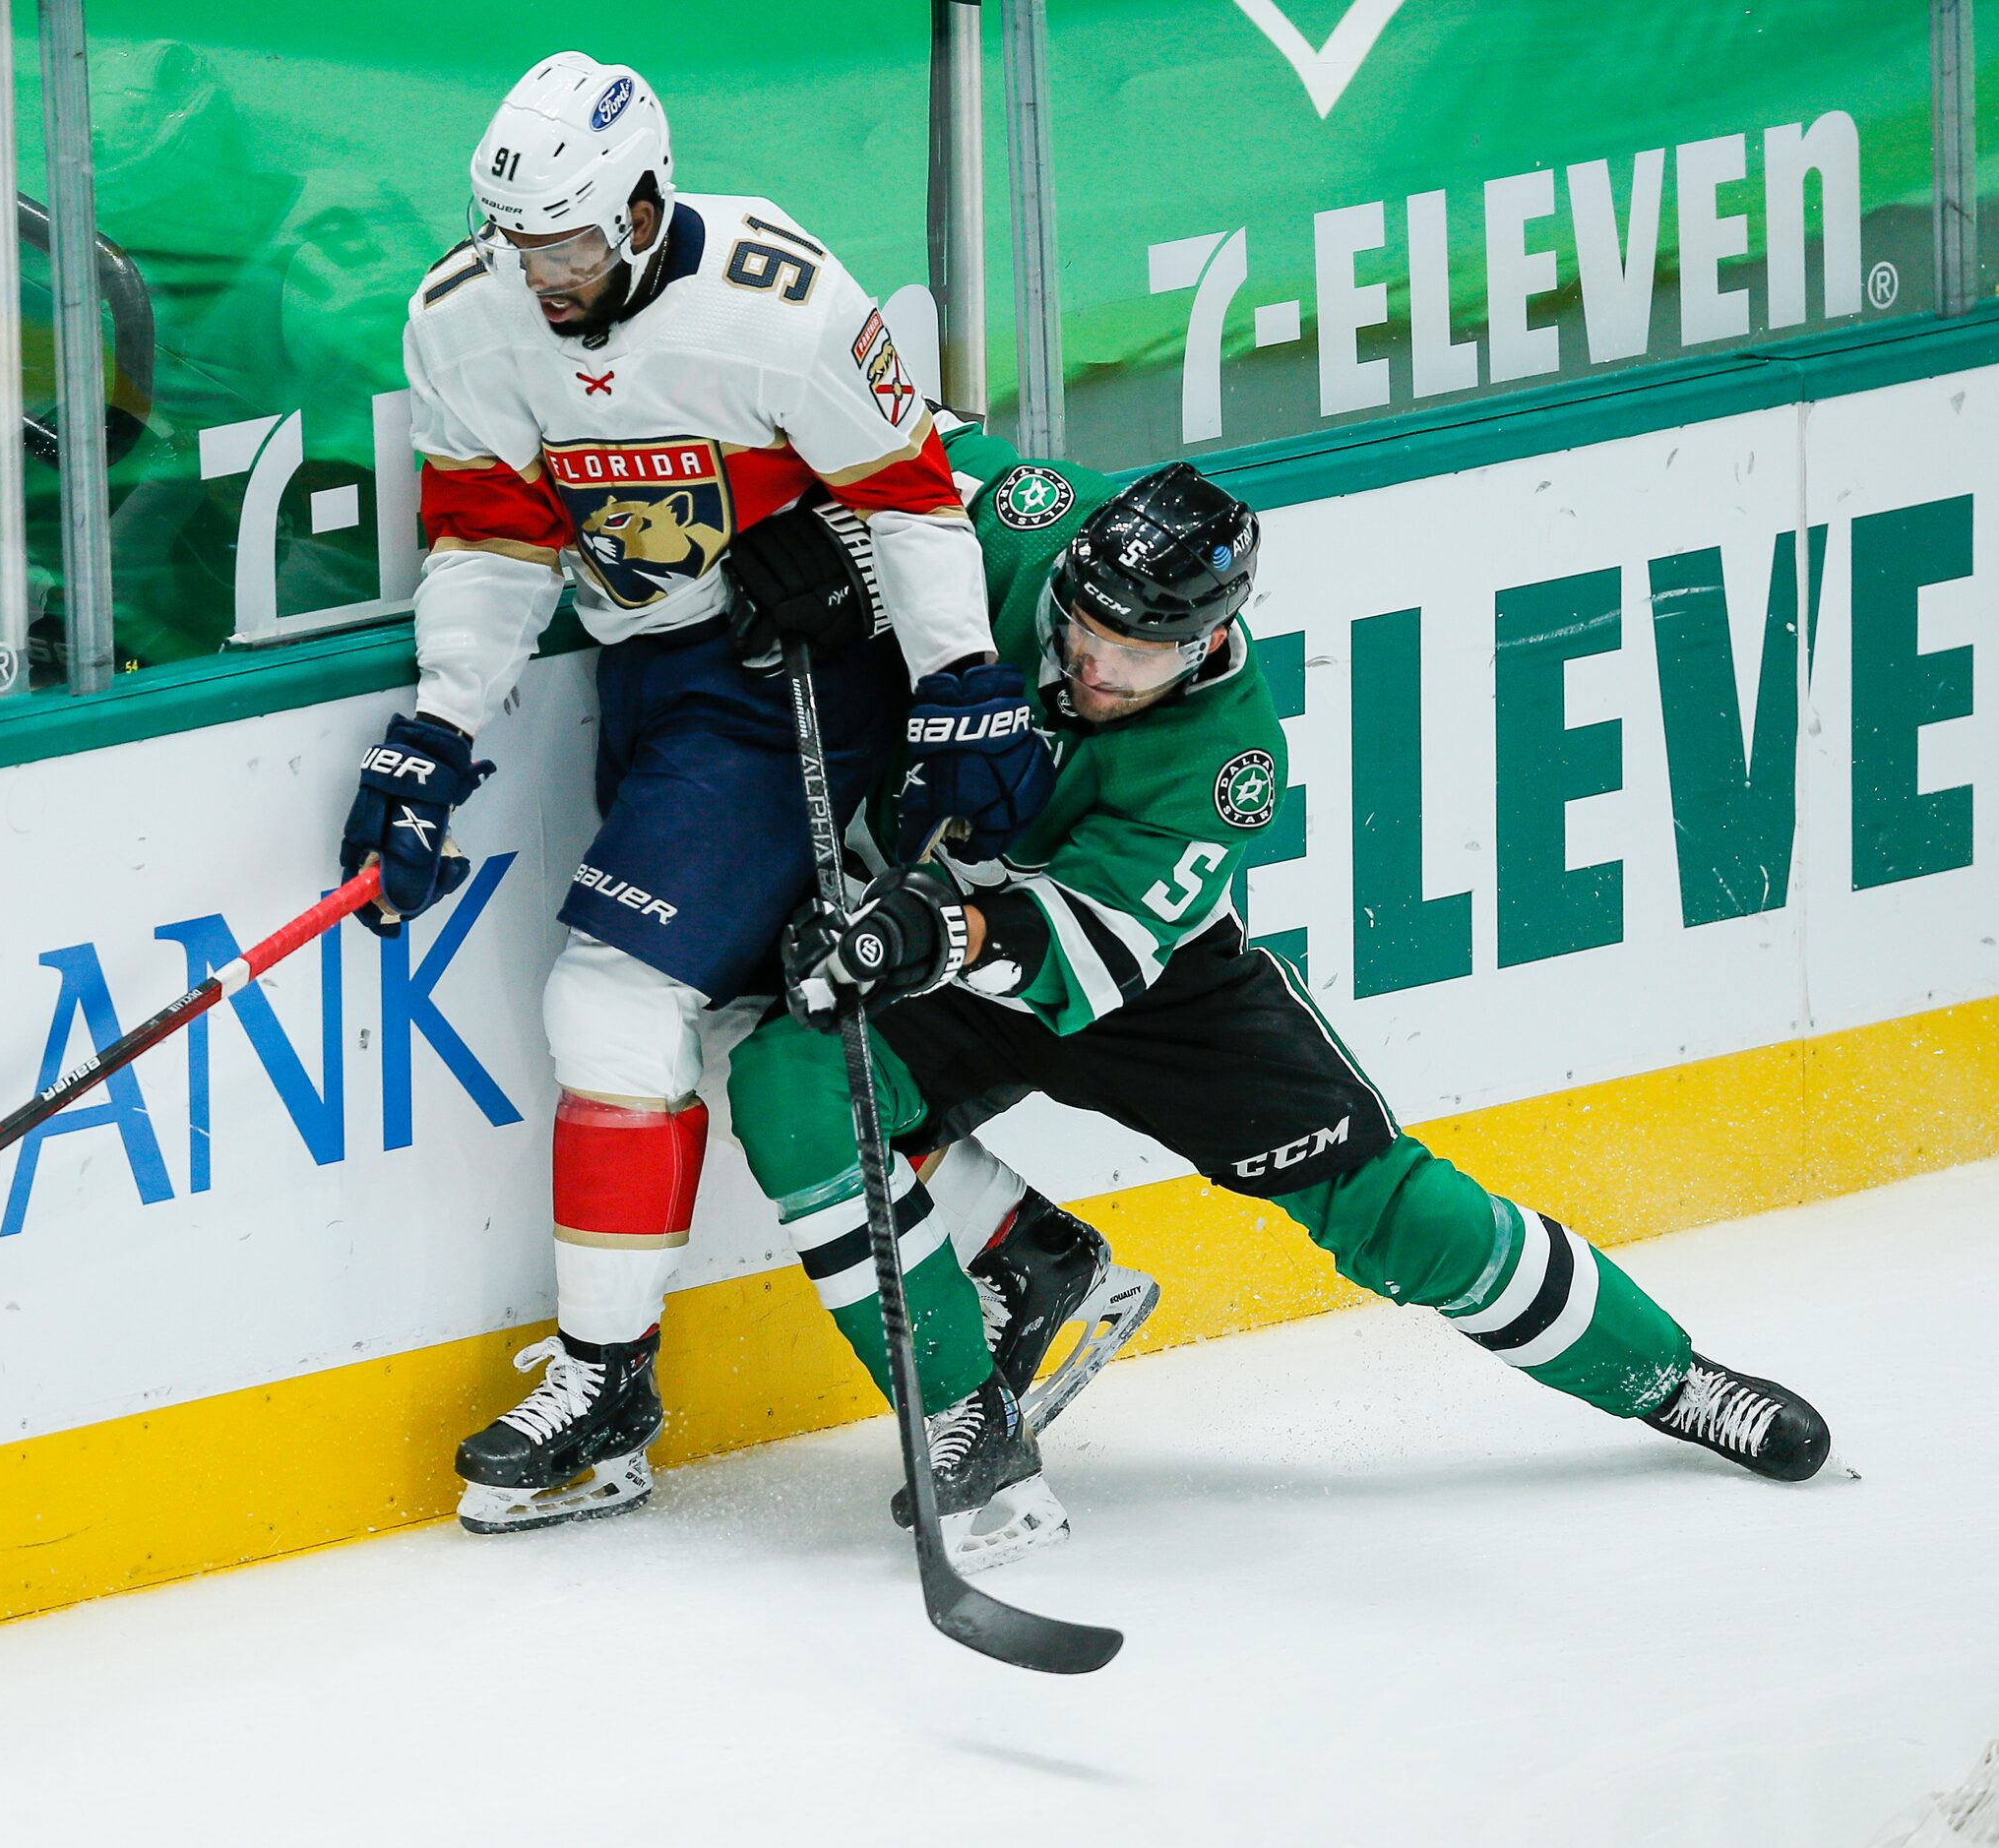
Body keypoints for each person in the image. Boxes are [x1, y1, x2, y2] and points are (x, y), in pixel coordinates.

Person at [720, 411, 1837, 1564]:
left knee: (1386, 1209)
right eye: (1081, 630)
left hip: (1150, 988)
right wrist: (821, 539)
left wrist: (930, 933)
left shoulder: (1230, 755)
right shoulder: (1030, 513)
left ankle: (1667, 1377)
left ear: (1205, 644)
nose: (1091, 668)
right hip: (938, 939)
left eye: (1136, 657)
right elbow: (877, 427)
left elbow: (1084, 954)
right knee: (792, 1081)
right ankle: (968, 1402)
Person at [337, 54, 1051, 1534]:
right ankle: (1029, 1252)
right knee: (730, 1012)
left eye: (574, 246)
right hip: (648, 681)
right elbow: (487, 542)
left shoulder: (778, 305)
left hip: (785, 680)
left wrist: (959, 677)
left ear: (648, 203)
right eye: (518, 246)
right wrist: (436, 730)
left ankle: (607, 1384)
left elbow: (914, 500)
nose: (543, 278)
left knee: (611, 997)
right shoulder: (463, 322)